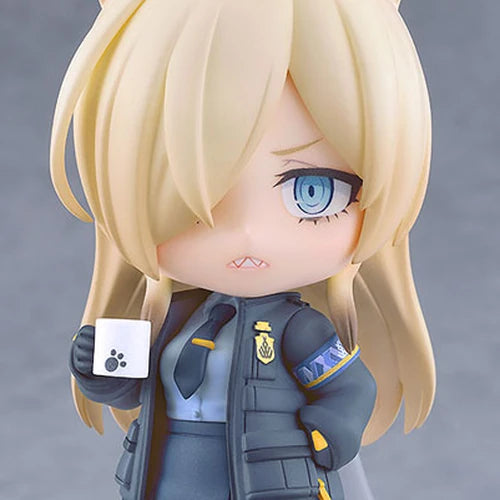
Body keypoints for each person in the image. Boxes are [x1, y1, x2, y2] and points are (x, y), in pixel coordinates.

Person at [50, 0, 435, 498]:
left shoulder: (301, 330)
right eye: (192, 200)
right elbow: (134, 389)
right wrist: (96, 370)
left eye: (313, 191)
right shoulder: (173, 320)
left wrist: (327, 433)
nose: (249, 232)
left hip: (265, 477)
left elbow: (349, 386)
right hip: (166, 472)